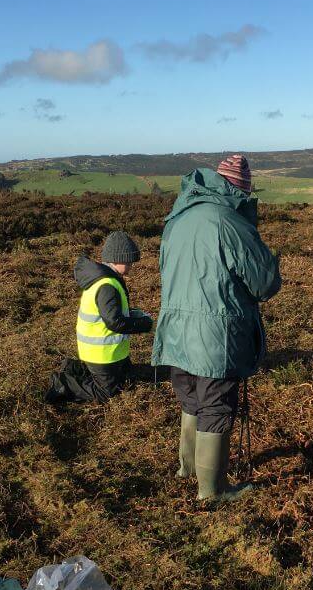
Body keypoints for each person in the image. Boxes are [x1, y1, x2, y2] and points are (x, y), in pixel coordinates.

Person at [151, 154, 282, 502]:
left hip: (175, 331)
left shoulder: (177, 217)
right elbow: (264, 284)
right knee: (217, 407)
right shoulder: (229, 222)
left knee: (191, 399)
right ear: (241, 188)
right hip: (214, 335)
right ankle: (212, 491)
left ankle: (187, 468)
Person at [45, 231, 153, 404]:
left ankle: (73, 368)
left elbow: (113, 313)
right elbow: (114, 321)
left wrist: (133, 314)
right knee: (106, 393)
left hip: (111, 352)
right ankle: (63, 383)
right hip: (101, 354)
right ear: (117, 258)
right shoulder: (107, 285)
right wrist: (144, 325)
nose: (132, 265)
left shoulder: (109, 280)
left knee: (128, 381)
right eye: (129, 261)